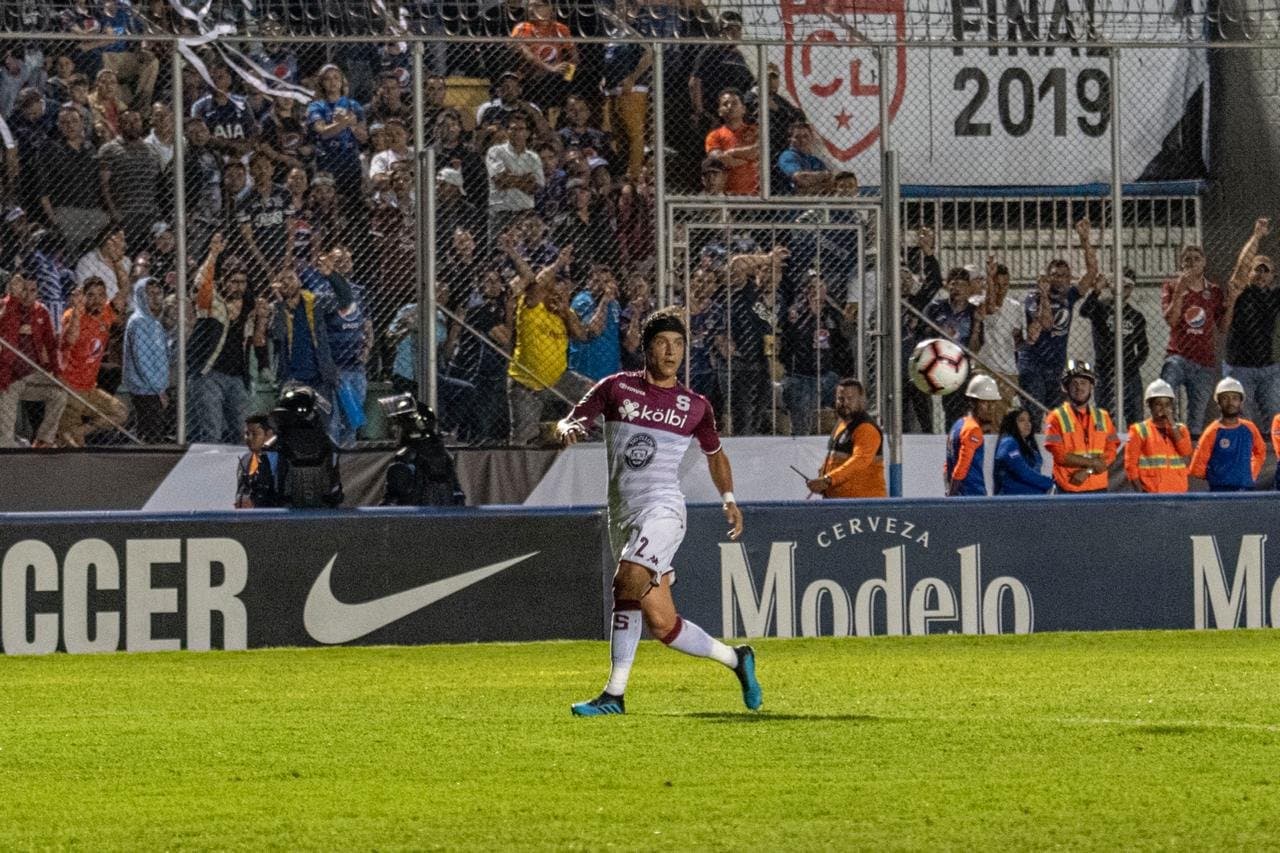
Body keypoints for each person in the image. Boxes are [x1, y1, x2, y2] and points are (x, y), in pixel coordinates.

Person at [556, 306, 760, 716]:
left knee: (627, 580)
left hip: (664, 510)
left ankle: (613, 696)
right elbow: (571, 419)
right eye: (663, 343)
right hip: (624, 517)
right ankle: (738, 659)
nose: (671, 352)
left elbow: (714, 453)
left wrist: (730, 499)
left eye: (679, 345)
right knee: (664, 624)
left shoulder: (695, 405)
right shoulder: (615, 389)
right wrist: (568, 430)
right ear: (646, 348)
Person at [1016, 219, 1095, 427]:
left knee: (1058, 416)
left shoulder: (1069, 296)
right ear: (1047, 278)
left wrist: (1085, 240)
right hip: (1033, 364)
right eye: (1054, 276)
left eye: (1063, 276)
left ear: (1069, 278)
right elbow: (1047, 323)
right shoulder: (1034, 297)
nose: (1058, 280)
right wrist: (1043, 294)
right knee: (1033, 412)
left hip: (1055, 365)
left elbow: (1092, 273)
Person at [1160, 244, 1224, 438]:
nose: (1192, 263)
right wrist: (1180, 290)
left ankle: (1190, 453)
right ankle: (1167, 434)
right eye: (1187, 259)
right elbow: (1171, 320)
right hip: (1178, 356)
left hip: (1204, 361)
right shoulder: (1171, 286)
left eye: (1196, 259)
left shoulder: (1213, 291)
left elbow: (1223, 326)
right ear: (1181, 263)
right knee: (1163, 394)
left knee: (1196, 417)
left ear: (1204, 262)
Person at [1221, 217, 1280, 426]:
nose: (1261, 274)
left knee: (1274, 417)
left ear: (1273, 276)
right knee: (1243, 419)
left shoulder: (1274, 296)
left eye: (1267, 271)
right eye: (1258, 269)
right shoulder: (1241, 291)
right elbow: (1242, 266)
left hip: (1269, 367)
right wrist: (1257, 236)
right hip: (1240, 366)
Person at [57, 277, 129, 447]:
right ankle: (66, 436)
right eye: (91, 295)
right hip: (69, 388)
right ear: (83, 297)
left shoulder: (106, 313)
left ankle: (77, 431)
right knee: (75, 449)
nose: (96, 300)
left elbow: (124, 289)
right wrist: (77, 310)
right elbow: (70, 339)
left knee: (120, 412)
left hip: (89, 388)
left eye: (101, 295)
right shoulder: (72, 315)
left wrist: (117, 262)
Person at [0, 271, 66, 447]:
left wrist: (57, 372)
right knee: (5, 441)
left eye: (33, 290)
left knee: (59, 394)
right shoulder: (6, 307)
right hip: (8, 379)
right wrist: (13, 298)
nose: (28, 295)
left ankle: (44, 439)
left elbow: (51, 346)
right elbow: (4, 321)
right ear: (16, 289)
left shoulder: (41, 311)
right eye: (24, 290)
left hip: (32, 375)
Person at [1078, 269, 1148, 427]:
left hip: (1130, 374)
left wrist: (1131, 367)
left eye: (1128, 286)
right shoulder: (1100, 308)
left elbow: (1143, 349)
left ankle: (1134, 450)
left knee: (1135, 418)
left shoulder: (1136, 316)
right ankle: (1106, 449)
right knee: (1105, 417)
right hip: (1105, 371)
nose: (1124, 289)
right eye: (1121, 284)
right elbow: (1084, 311)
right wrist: (1097, 290)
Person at [1043, 360, 1120, 494]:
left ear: (1091, 386)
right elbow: (1061, 456)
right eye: (1074, 383)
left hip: (1098, 488)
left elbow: (1111, 452)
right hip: (1068, 488)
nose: (1079, 388)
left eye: (1084, 383)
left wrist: (1087, 471)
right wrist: (1093, 464)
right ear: (1065, 387)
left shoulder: (1104, 416)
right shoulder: (1055, 418)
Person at [807, 377, 885, 498]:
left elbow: (859, 462)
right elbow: (833, 460)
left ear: (861, 400)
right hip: (841, 501)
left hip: (863, 503)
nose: (845, 403)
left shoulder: (866, 428)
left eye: (850, 398)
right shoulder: (842, 424)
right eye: (840, 398)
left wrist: (828, 480)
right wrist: (822, 478)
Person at [1189, 377, 1265, 492]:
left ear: (1241, 402)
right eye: (1225, 398)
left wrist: (1251, 474)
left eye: (1235, 398)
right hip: (1220, 493)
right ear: (1218, 403)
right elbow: (1197, 468)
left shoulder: (1250, 428)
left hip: (1247, 491)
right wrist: (1217, 477)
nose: (1230, 402)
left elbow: (1260, 452)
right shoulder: (1212, 431)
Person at [122, 275, 170, 442]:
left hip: (155, 388)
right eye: (150, 294)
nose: (155, 298)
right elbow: (143, 361)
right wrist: (158, 390)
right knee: (152, 434)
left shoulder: (154, 323)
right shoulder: (139, 322)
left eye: (158, 293)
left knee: (151, 430)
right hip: (145, 389)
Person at [1124, 379, 1192, 494]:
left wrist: (1172, 424)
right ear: (1150, 406)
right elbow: (1130, 465)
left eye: (1167, 404)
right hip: (1152, 492)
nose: (1163, 408)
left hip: (1178, 490)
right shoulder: (1139, 430)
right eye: (1158, 404)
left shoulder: (1181, 429)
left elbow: (1185, 451)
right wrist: (1141, 494)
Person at [945, 374, 1000, 496]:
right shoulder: (973, 429)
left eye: (993, 403)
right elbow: (961, 467)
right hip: (972, 494)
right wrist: (951, 495)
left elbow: (947, 463)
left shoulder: (958, 425)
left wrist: (949, 489)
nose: (991, 408)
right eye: (985, 402)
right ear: (973, 403)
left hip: (960, 493)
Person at [704, 88, 759, 197]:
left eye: (734, 103)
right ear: (720, 111)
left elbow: (758, 151)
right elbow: (718, 159)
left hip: (755, 195)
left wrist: (731, 152)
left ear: (743, 109)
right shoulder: (714, 135)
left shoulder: (755, 131)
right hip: (727, 195)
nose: (730, 106)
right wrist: (746, 156)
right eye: (725, 104)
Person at [993, 408, 1054, 495]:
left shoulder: (1030, 444)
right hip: (1013, 500)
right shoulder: (1008, 443)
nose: (1027, 424)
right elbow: (1023, 471)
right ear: (1011, 423)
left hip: (1031, 498)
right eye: (1021, 420)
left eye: (1029, 420)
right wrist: (1048, 482)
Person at [235, 413, 281, 509]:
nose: (249, 438)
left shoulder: (283, 460)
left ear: (269, 434)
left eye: (255, 434)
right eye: (247, 434)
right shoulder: (245, 460)